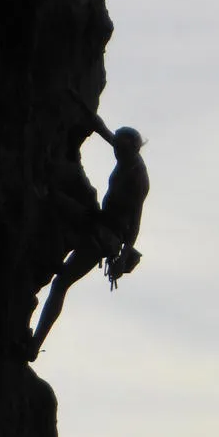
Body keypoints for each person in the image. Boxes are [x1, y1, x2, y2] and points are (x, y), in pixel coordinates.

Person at [27, 111, 149, 361]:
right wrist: (83, 108)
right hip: (98, 220)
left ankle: (35, 344)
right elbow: (103, 130)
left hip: (106, 236)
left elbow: (134, 226)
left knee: (61, 284)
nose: (117, 153)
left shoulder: (138, 179)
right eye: (117, 148)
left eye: (122, 150)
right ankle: (52, 250)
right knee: (55, 199)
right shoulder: (123, 152)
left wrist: (122, 259)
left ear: (134, 150)